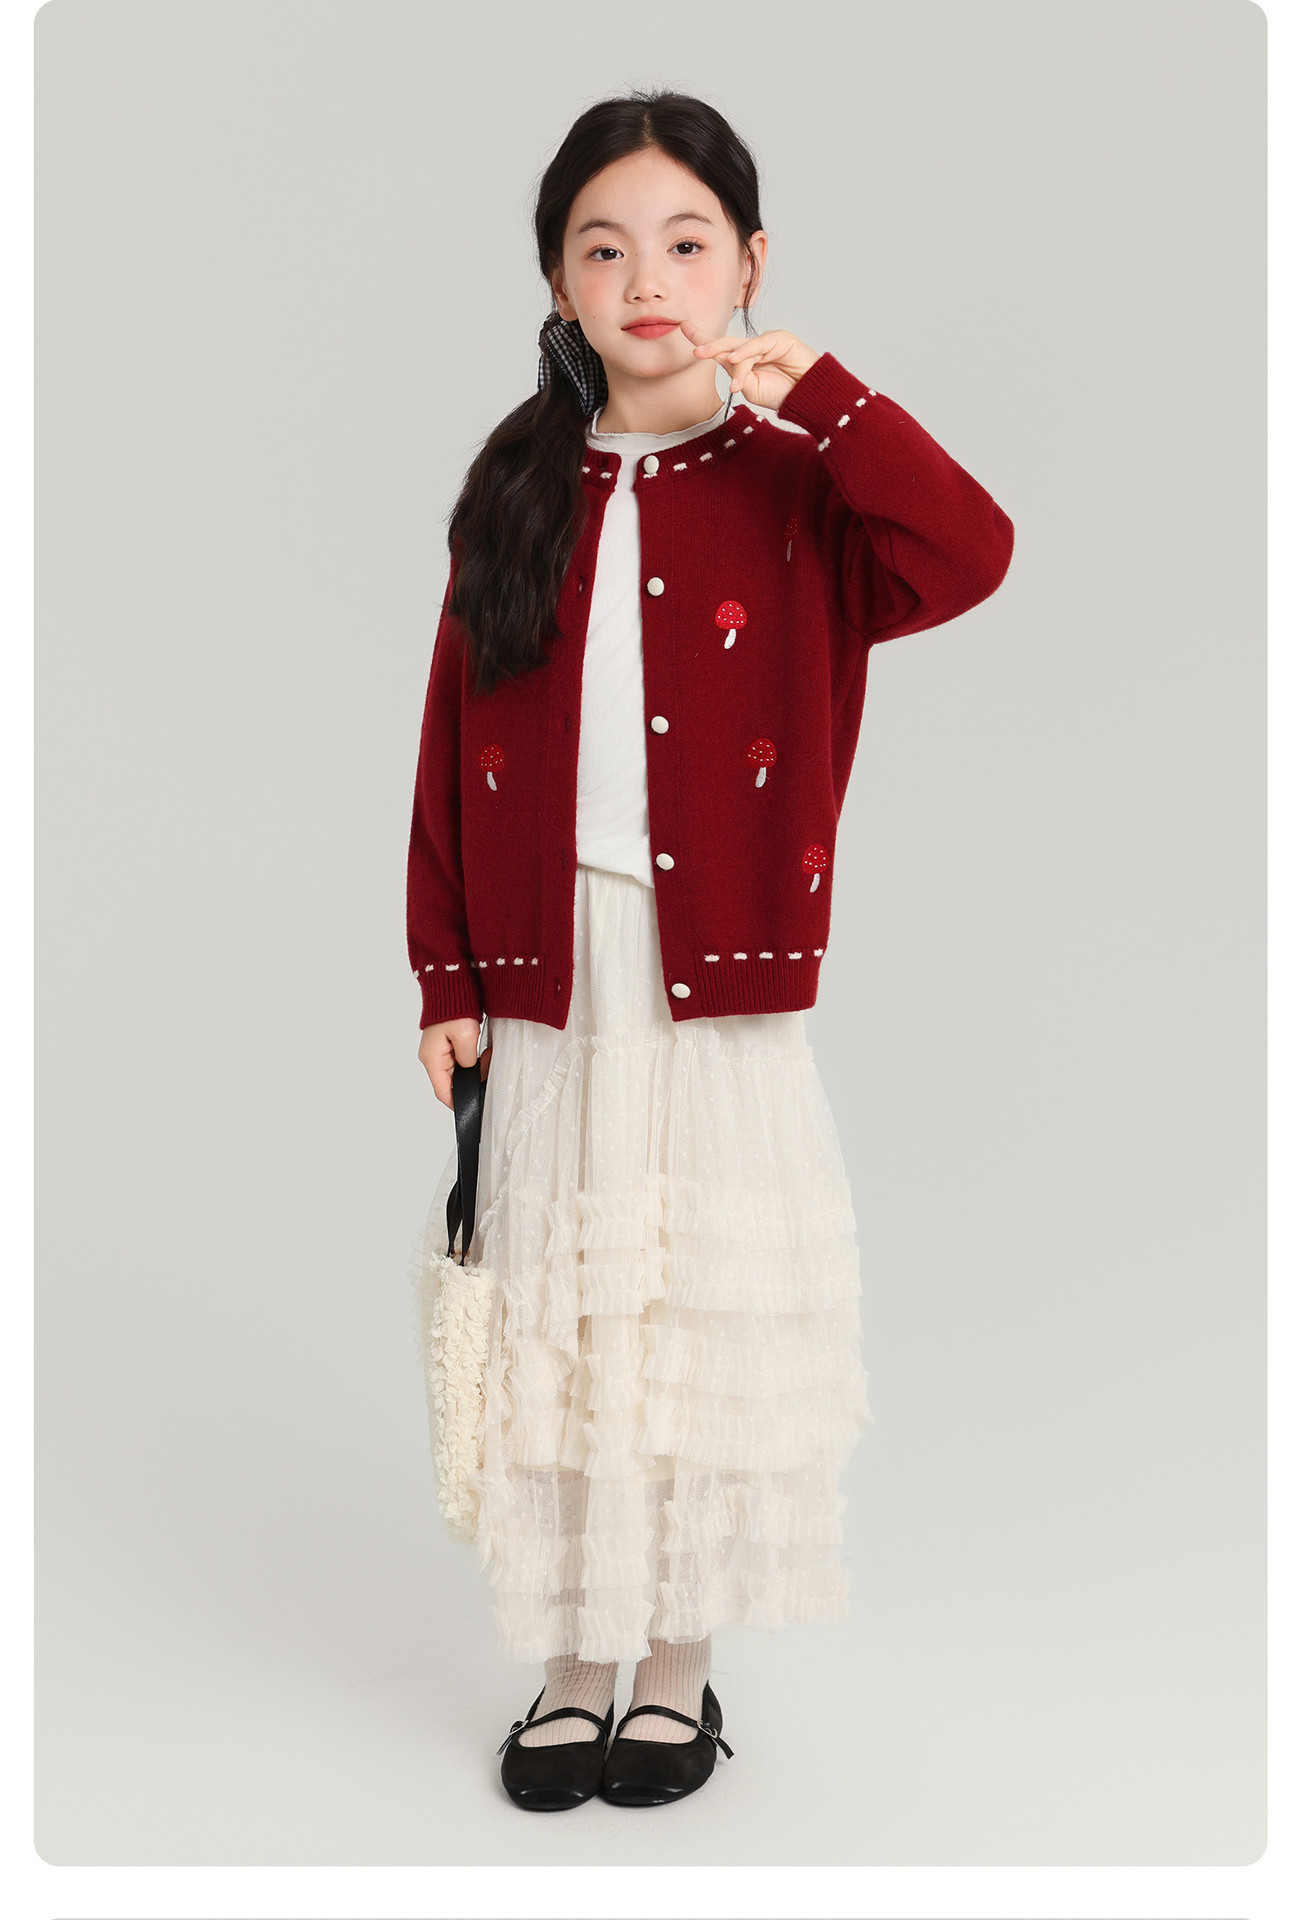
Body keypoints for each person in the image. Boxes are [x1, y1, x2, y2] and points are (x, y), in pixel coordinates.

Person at [405, 87, 1014, 1811]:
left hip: (716, 969)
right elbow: (448, 738)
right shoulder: (515, 484)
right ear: (557, 279)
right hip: (549, 972)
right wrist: (443, 971)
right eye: (603, 249)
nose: (646, 280)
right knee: (565, 1319)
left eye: (684, 244)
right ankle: (570, 1661)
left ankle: (673, 1665)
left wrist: (829, 398)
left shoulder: (802, 484)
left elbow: (970, 552)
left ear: (749, 261)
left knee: (688, 1313)